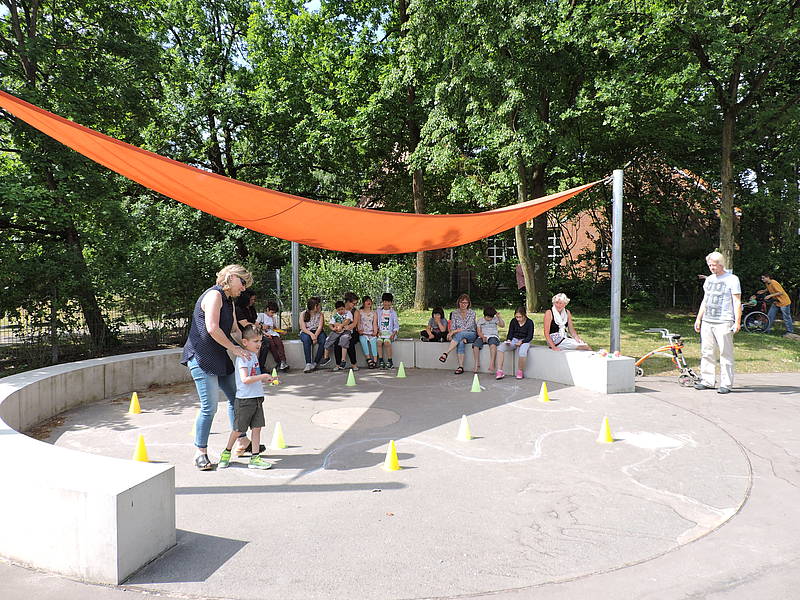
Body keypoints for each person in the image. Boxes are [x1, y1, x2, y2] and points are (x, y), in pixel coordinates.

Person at [181, 264, 253, 471]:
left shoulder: (229, 301)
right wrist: (234, 349)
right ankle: (200, 452)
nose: (244, 288)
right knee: (209, 407)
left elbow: (235, 330)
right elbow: (212, 328)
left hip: (219, 356)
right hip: (201, 357)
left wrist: (249, 346)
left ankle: (241, 440)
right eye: (243, 282)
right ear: (231, 278)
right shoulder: (214, 295)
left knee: (236, 399)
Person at [217, 325, 274, 470]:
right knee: (238, 429)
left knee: (257, 428)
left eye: (260, 341)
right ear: (245, 342)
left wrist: (264, 379)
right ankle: (226, 453)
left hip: (257, 398)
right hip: (245, 401)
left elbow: (253, 377)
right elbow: (245, 379)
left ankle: (255, 457)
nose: (259, 344)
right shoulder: (243, 358)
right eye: (255, 341)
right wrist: (263, 376)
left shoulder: (254, 356)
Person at [693, 251, 742, 394]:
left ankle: (726, 384)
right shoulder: (709, 280)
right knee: (707, 352)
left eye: (713, 265)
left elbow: (737, 301)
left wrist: (737, 322)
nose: (711, 268)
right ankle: (707, 381)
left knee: (725, 353)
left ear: (721, 264)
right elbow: (705, 300)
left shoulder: (732, 279)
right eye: (709, 265)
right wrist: (699, 318)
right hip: (708, 321)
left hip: (724, 321)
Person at [438, 293, 477, 374]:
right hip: (460, 336)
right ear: (458, 303)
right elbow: (453, 327)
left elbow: (468, 327)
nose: (463, 304)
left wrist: (453, 332)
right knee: (461, 341)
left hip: (471, 334)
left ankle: (446, 353)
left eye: (465, 303)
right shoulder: (454, 313)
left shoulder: (472, 313)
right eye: (461, 302)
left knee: (460, 334)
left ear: (468, 304)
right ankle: (460, 367)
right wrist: (453, 331)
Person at [496, 306, 534, 379]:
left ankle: (520, 371)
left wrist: (522, 342)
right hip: (514, 340)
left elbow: (530, 336)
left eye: (520, 317)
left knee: (522, 352)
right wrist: (509, 340)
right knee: (501, 348)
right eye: (516, 317)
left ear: (524, 315)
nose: (518, 319)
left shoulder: (530, 322)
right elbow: (510, 333)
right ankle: (499, 371)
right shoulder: (513, 321)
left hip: (525, 340)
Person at [256, 300, 289, 372]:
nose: (272, 314)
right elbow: (256, 325)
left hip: (273, 334)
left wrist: (281, 331)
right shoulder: (261, 316)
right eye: (272, 312)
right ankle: (279, 362)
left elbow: (274, 328)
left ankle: (283, 361)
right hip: (265, 334)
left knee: (279, 344)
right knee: (272, 346)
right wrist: (263, 327)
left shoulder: (272, 318)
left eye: (274, 313)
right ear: (267, 309)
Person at [299, 296, 327, 372]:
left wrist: (315, 336)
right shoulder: (303, 314)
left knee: (323, 340)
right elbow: (303, 328)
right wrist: (311, 335)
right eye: (318, 305)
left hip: (317, 331)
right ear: (315, 306)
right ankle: (308, 363)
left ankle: (315, 363)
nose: (319, 306)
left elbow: (320, 327)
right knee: (306, 339)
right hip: (306, 332)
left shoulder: (320, 314)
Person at [334, 292, 361, 370]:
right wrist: (339, 327)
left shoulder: (355, 311)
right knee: (337, 342)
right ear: (348, 302)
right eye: (353, 303)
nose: (355, 305)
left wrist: (347, 327)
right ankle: (338, 364)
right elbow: (335, 321)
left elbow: (354, 324)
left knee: (349, 342)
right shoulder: (340, 310)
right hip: (341, 331)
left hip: (352, 332)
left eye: (356, 303)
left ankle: (354, 364)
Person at [473, 306, 504, 373]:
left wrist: (499, 317)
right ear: (484, 315)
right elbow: (478, 331)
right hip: (482, 336)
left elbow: (502, 325)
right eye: (488, 317)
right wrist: (482, 337)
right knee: (475, 345)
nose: (489, 319)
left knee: (492, 345)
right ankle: (476, 363)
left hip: (493, 336)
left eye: (491, 317)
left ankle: (492, 363)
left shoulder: (495, 319)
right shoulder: (480, 320)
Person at [324, 300, 352, 371]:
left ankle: (343, 360)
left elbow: (348, 320)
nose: (341, 311)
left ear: (344, 308)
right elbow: (330, 324)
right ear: (336, 310)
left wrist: (341, 325)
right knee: (329, 340)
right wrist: (333, 328)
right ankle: (326, 357)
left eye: (342, 309)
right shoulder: (335, 316)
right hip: (336, 331)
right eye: (339, 310)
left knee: (344, 340)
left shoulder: (348, 313)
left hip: (345, 331)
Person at [376, 292, 400, 369]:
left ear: (391, 302)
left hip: (390, 334)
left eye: (389, 302)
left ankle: (390, 361)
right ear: (382, 302)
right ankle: (381, 360)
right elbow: (376, 322)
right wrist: (377, 331)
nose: (386, 303)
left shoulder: (393, 313)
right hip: (381, 333)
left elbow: (396, 325)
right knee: (379, 342)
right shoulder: (379, 311)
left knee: (387, 342)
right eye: (385, 301)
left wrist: (393, 334)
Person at [357, 296, 379, 368]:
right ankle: (368, 359)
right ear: (363, 303)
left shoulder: (374, 313)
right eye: (366, 301)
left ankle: (375, 360)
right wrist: (359, 330)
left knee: (373, 342)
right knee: (363, 341)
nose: (368, 302)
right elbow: (358, 322)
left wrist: (375, 332)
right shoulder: (360, 312)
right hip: (363, 333)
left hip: (371, 332)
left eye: (370, 301)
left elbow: (374, 323)